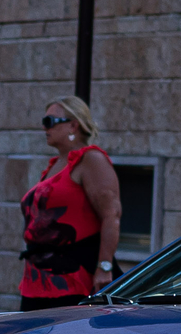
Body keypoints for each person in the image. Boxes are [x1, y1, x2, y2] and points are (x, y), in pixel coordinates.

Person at [18, 95, 122, 309]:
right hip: (38, 280)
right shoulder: (55, 165)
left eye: (49, 122)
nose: (44, 128)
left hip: (74, 278)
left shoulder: (90, 159)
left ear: (73, 125)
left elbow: (111, 215)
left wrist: (104, 266)